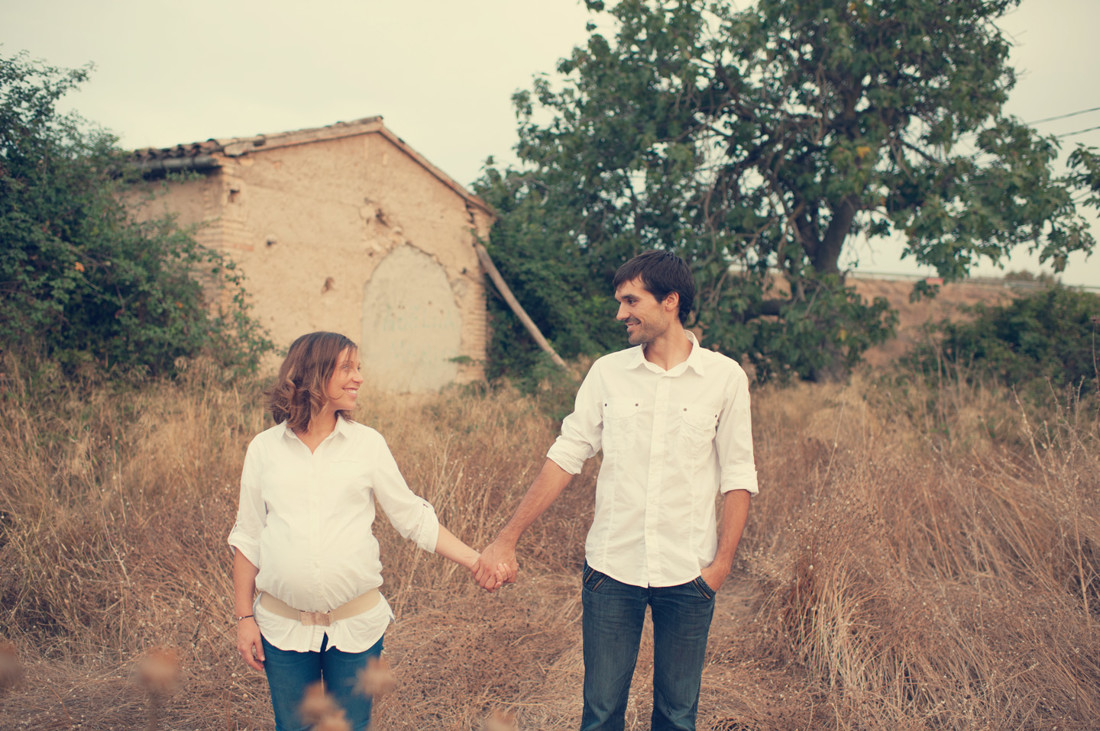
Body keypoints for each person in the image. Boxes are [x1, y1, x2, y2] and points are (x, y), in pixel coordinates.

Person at [474, 250, 758, 731]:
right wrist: (507, 537)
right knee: (602, 712)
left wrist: (721, 565)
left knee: (677, 715)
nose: (620, 313)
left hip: (689, 574)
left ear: (670, 301)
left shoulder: (724, 378)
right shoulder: (608, 372)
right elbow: (567, 455)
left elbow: (738, 475)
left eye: (631, 301)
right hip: (612, 571)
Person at [229, 331, 482, 730]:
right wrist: (245, 618)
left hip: (356, 629)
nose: (358, 378)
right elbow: (248, 535)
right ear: (314, 373)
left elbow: (412, 517)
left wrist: (476, 561)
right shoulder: (264, 449)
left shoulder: (368, 445)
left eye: (358, 367)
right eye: (347, 367)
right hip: (282, 628)